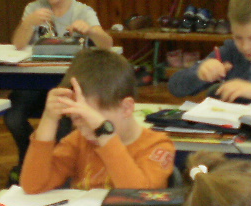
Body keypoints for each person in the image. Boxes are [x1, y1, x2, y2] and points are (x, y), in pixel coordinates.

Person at [6, 0, 113, 173]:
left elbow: (107, 44)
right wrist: (28, 23)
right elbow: (18, 44)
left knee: (65, 122)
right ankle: (27, 159)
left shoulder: (82, 11)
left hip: (67, 86)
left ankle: (59, 167)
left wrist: (91, 31)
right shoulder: (34, 8)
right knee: (13, 116)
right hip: (35, 84)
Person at [20, 48, 175, 194]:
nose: (86, 131)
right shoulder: (78, 141)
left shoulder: (158, 146)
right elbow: (33, 186)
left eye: (94, 121)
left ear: (126, 108)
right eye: (77, 119)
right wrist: (49, 118)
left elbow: (137, 198)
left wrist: (104, 134)